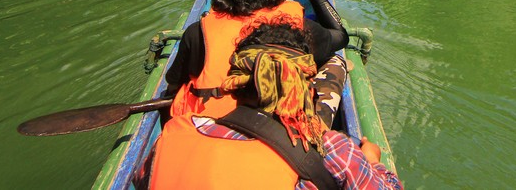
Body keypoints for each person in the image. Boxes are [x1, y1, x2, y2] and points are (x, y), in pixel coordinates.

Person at [146, 23, 403, 190]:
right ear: (304, 86)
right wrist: (372, 161)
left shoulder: (175, 133)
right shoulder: (335, 152)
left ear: (236, 82)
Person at [164, 0, 348, 120]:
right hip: (278, 137)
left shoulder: (197, 32)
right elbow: (340, 35)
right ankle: (318, 134)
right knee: (336, 61)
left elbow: (173, 86)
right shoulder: (298, 28)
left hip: (209, 127)